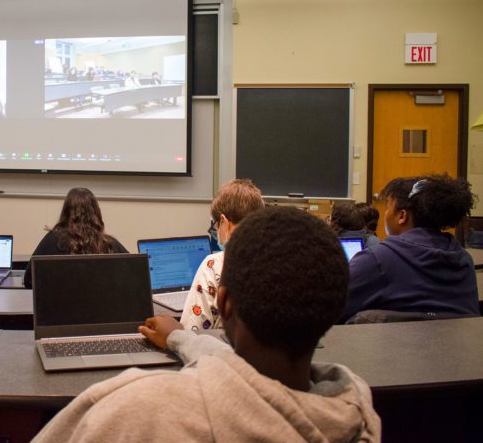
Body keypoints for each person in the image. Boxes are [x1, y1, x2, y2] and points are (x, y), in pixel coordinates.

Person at [33, 207, 381, 442]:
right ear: (335, 308)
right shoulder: (358, 409)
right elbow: (232, 369)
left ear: (224, 302)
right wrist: (181, 338)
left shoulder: (137, 407)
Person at [343, 174, 479, 321]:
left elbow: (329, 307)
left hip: (391, 343)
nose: (386, 213)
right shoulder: (464, 260)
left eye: (388, 207)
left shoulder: (377, 260)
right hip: (455, 344)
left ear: (402, 216)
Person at [181, 179, 265, 330]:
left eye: (215, 226)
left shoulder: (214, 264)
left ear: (223, 221)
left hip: (225, 351)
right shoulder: (280, 259)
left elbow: (192, 332)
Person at [23, 188, 128, 288]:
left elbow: (28, 280)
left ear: (65, 212)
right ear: (96, 212)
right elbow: (135, 275)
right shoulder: (110, 244)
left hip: (60, 306)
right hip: (102, 306)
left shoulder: (52, 240)